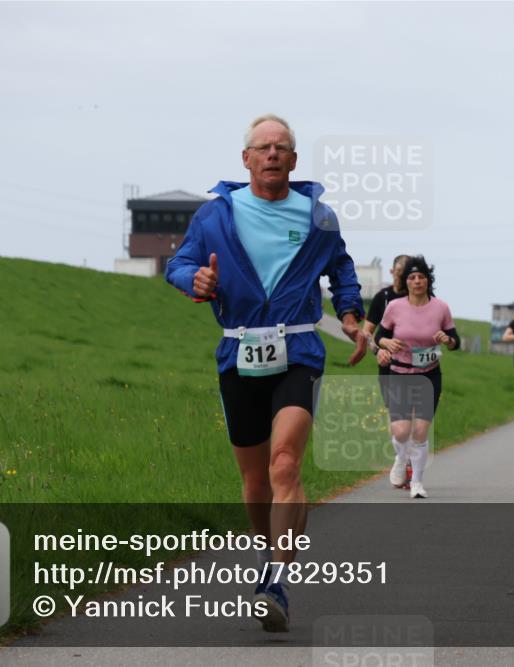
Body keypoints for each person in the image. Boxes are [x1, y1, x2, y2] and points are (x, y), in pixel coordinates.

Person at [166, 114, 366, 632]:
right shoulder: (215, 215)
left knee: (283, 465)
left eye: (282, 147)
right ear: (246, 158)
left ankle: (276, 580)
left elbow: (341, 267)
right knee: (255, 481)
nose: (273, 154)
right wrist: (198, 278)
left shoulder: (318, 216)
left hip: (298, 349)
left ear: (294, 161)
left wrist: (348, 312)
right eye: (264, 147)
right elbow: (178, 264)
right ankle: (269, 557)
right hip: (239, 353)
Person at [375, 256, 459, 498]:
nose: (417, 281)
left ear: (427, 280)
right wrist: (386, 342)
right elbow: (380, 335)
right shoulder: (395, 307)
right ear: (406, 282)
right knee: (401, 431)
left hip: (429, 375)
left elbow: (455, 341)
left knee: (421, 430)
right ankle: (401, 458)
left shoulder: (441, 307)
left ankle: (417, 483)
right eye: (412, 277)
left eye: (421, 276)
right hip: (399, 373)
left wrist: (448, 339)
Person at [363, 255, 410, 486]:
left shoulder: (423, 299)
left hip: (416, 368)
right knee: (397, 418)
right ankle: (403, 458)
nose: (404, 275)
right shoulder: (382, 298)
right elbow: (367, 332)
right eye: (400, 270)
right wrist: (376, 351)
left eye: (409, 271)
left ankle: (408, 465)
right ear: (392, 272)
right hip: (388, 365)